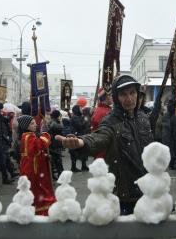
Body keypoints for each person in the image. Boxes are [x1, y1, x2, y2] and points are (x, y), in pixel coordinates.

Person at [56, 75, 153, 215]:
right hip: (124, 195)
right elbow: (99, 137)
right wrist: (81, 142)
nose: (129, 98)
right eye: (123, 94)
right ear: (116, 97)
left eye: (132, 93)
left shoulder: (143, 118)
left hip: (146, 191)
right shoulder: (111, 121)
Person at [18, 115, 55, 215]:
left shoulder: (29, 135)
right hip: (32, 168)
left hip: (33, 165)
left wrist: (44, 155)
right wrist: (45, 134)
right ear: (26, 126)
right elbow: (41, 145)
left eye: (35, 122)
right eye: (32, 123)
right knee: (37, 188)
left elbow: (35, 152)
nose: (35, 125)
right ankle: (39, 209)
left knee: (37, 188)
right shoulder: (28, 136)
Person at [69, 104, 89, 172]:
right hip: (76, 136)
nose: (81, 109)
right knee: (75, 152)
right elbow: (80, 126)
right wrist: (85, 121)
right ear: (77, 109)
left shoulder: (80, 116)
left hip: (81, 136)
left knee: (83, 151)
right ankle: (73, 167)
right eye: (80, 108)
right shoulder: (75, 117)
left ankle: (84, 165)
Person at [47, 109, 64, 180]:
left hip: (51, 142)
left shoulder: (50, 122)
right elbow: (60, 129)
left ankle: (52, 175)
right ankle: (61, 174)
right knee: (58, 160)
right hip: (57, 142)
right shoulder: (58, 123)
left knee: (52, 160)